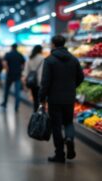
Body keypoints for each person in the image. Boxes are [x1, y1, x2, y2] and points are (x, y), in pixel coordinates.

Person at [39, 35, 84, 163]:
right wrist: (71, 86)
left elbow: (45, 82)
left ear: (53, 44)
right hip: (69, 97)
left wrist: (42, 97)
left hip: (54, 98)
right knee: (68, 122)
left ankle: (59, 154)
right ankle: (69, 138)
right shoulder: (74, 59)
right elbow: (81, 77)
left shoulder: (49, 60)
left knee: (56, 126)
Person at [1, 43, 25, 112]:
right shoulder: (20, 55)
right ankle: (16, 106)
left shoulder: (8, 54)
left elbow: (4, 63)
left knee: (7, 90)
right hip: (17, 75)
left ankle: (5, 103)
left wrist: (7, 70)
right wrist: (20, 70)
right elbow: (23, 64)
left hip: (9, 75)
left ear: (11, 47)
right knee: (17, 92)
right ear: (16, 47)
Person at [23, 45, 44, 112]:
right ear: (40, 50)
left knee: (35, 99)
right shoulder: (42, 58)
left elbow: (25, 71)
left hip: (32, 81)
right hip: (40, 82)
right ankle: (40, 113)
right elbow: (43, 70)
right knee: (41, 99)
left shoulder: (30, 58)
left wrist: (25, 81)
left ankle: (35, 112)